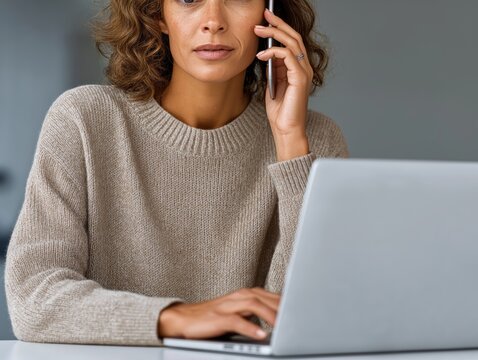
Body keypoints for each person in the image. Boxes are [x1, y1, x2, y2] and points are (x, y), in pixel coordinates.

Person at [5, 0, 348, 346]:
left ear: (271, 14)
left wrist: (291, 144)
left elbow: (315, 320)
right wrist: (176, 317)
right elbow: (34, 298)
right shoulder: (84, 120)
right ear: (158, 14)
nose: (213, 21)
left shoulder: (314, 140)